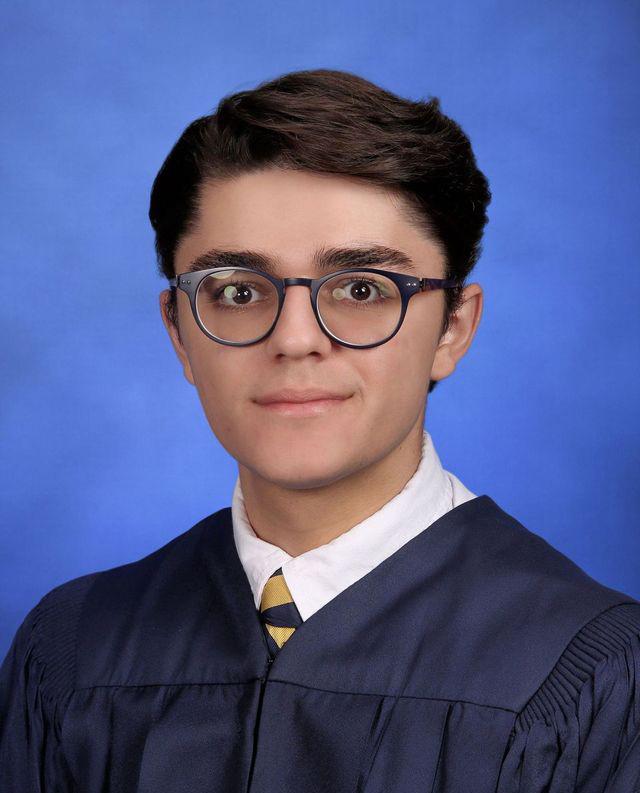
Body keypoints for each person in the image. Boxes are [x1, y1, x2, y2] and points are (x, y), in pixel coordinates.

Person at [1, 67, 638, 793]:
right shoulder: (73, 653)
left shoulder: (592, 672)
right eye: (238, 290)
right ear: (179, 333)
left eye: (362, 288)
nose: (296, 339)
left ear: (453, 329)